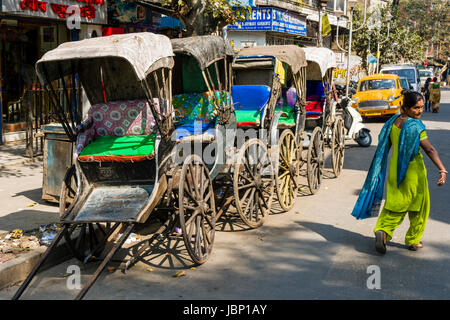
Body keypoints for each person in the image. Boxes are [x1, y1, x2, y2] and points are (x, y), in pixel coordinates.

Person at [351, 90, 447, 254]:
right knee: (419, 206)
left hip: (395, 169)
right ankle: (413, 240)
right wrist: (442, 169)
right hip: (413, 171)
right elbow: (430, 149)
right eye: (416, 108)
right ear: (406, 107)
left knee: (395, 203)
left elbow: (385, 146)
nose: (420, 111)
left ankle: (383, 229)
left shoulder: (393, 121)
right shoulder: (415, 126)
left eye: (422, 107)